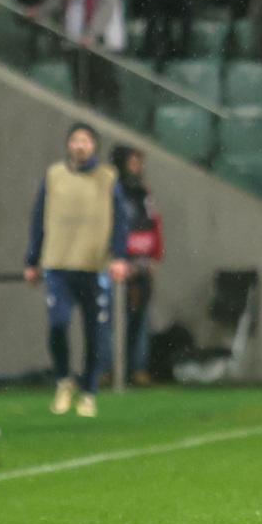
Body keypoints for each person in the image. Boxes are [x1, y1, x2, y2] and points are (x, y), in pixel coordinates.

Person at [24, 123, 129, 417]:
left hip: (93, 266)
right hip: (58, 264)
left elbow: (121, 219)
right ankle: (63, 380)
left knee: (96, 332)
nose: (79, 146)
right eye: (75, 140)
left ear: (94, 146)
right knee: (57, 324)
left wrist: (119, 256)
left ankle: (90, 391)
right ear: (68, 144)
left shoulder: (107, 178)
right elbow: (38, 217)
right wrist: (32, 260)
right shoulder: (54, 175)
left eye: (85, 141)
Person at [113, 145, 162, 385]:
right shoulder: (114, 193)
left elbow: (155, 224)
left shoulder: (145, 193)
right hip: (120, 263)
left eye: (138, 163)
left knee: (141, 318)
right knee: (114, 319)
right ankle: (110, 369)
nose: (137, 167)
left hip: (143, 264)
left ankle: (138, 367)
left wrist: (153, 257)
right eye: (132, 162)